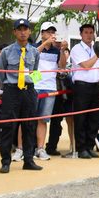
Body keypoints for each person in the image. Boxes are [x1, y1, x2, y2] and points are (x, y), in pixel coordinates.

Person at [0, 19, 43, 173]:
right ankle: (5, 162)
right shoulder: (7, 52)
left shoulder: (35, 52)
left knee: (29, 126)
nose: (23, 32)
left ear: (30, 31)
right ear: (15, 32)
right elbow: (0, 73)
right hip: (12, 91)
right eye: (19, 29)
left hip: (28, 91)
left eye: (26, 29)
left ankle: (28, 160)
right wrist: (9, 87)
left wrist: (31, 86)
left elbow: (36, 72)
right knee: (8, 126)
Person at [70, 24, 99, 159]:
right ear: (81, 34)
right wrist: (97, 55)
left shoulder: (94, 49)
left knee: (94, 118)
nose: (89, 35)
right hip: (81, 86)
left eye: (91, 33)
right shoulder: (76, 49)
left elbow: (98, 73)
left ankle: (90, 146)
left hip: (94, 87)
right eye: (86, 32)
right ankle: (81, 148)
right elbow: (86, 65)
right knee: (80, 119)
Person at [33, 22, 68, 160]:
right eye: (47, 32)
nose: (51, 34)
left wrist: (62, 50)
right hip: (34, 86)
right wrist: (46, 43)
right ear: (42, 33)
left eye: (53, 32)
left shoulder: (55, 50)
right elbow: (32, 57)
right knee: (30, 118)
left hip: (50, 87)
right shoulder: (34, 47)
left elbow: (62, 66)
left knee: (43, 119)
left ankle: (40, 148)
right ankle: (27, 147)